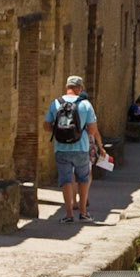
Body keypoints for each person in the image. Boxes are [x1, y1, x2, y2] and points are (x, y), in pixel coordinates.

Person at [44, 74, 107, 223]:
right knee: (83, 179)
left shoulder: (56, 103)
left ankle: (69, 214)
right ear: (79, 88)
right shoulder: (85, 104)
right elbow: (92, 130)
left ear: (67, 87)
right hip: (81, 147)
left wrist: (60, 130)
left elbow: (46, 126)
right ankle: (83, 213)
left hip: (61, 148)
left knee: (66, 180)